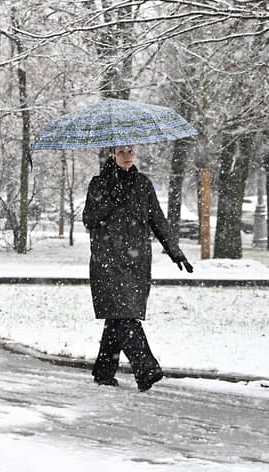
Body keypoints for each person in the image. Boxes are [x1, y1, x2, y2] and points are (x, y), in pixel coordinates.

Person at [82, 144, 193, 391]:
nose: (127, 156)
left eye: (131, 151)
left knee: (118, 316)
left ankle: (104, 371)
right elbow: (89, 218)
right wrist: (111, 199)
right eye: (122, 152)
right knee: (125, 314)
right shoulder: (99, 184)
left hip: (137, 262)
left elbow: (157, 219)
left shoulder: (143, 184)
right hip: (108, 261)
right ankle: (146, 369)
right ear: (112, 154)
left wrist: (175, 252)